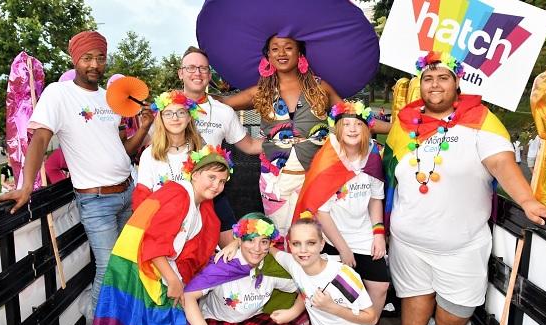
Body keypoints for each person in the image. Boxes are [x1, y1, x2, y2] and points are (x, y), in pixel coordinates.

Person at [384, 51, 546, 325]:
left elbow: (501, 164)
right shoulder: (406, 121)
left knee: (459, 302)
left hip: (460, 244)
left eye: (443, 78)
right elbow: (391, 171)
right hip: (408, 239)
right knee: (413, 293)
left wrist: (527, 200)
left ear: (457, 82)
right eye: (428, 79)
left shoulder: (481, 120)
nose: (435, 85)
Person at [0, 30, 154, 325]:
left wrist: (144, 126)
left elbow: (121, 151)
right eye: (87, 58)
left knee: (131, 264)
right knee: (109, 270)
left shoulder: (110, 98)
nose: (94, 64)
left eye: (100, 58)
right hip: (96, 202)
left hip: (127, 192)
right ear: (75, 60)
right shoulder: (59, 93)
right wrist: (26, 186)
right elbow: (40, 138)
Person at [197, 0, 389, 239]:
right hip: (276, 183)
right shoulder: (260, 92)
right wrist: (187, 96)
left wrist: (396, 127)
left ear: (300, 53)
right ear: (267, 56)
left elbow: (353, 117)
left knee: (317, 239)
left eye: (288, 47)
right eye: (274, 49)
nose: (281, 53)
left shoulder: (321, 88)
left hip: (319, 177)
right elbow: (219, 103)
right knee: (283, 240)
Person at [87, 145, 234, 325]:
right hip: (139, 266)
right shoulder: (178, 195)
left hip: (156, 263)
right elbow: (154, 242)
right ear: (195, 175)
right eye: (211, 177)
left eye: (222, 181)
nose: (216, 185)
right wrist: (173, 280)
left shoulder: (198, 202)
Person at [292, 101, 389, 322]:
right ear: (339, 129)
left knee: (381, 286)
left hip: (363, 233)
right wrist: (343, 249)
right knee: (335, 293)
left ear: (366, 128)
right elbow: (321, 213)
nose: (352, 129)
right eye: (346, 124)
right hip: (333, 236)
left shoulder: (373, 155)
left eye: (357, 124)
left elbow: (376, 198)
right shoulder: (329, 159)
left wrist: (378, 234)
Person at [184, 212, 310, 325]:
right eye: (250, 240)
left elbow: (306, 286)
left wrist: (294, 311)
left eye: (263, 242)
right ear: (239, 241)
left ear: (270, 244)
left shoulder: (271, 267)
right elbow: (188, 296)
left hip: (252, 320)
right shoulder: (224, 263)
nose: (257, 248)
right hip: (218, 321)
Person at [177, 46, 263, 246]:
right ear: (181, 73)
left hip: (213, 192)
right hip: (176, 191)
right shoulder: (167, 108)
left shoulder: (224, 111)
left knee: (231, 250)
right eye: (191, 68)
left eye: (203, 68)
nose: (197, 73)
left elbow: (249, 145)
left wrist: (281, 141)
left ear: (209, 74)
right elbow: (152, 147)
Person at [271, 217, 384, 325]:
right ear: (289, 245)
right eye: (296, 243)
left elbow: (371, 318)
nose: (303, 250)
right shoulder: (295, 265)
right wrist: (292, 312)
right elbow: (271, 251)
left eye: (311, 243)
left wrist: (332, 307)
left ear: (322, 244)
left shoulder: (341, 275)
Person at [135, 89, 203, 195]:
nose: (175, 118)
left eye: (181, 112)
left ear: (189, 117)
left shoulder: (201, 150)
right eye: (168, 113)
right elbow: (143, 196)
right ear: (161, 118)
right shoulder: (149, 154)